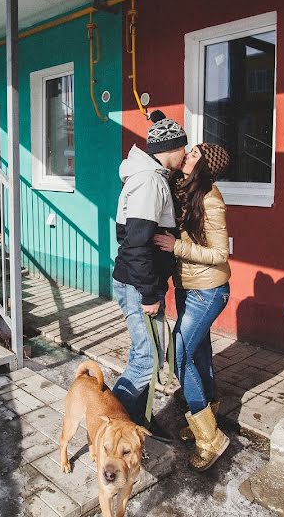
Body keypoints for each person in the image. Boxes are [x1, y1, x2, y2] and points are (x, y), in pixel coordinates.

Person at [153, 143, 232, 471]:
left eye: (195, 155)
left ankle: (210, 437)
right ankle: (207, 411)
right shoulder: (183, 189)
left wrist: (177, 246)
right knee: (198, 352)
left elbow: (220, 254)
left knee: (180, 354)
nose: (187, 155)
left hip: (209, 291)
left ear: (205, 168)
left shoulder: (211, 200)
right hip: (189, 288)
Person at [112, 110, 187, 438]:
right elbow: (135, 245)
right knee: (146, 359)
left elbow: (127, 237)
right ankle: (114, 427)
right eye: (184, 148)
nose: (186, 154)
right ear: (171, 148)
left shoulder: (148, 177)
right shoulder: (149, 182)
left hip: (139, 283)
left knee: (146, 353)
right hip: (139, 287)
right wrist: (149, 294)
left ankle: (138, 420)